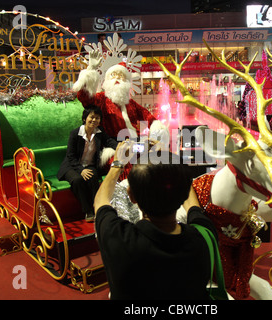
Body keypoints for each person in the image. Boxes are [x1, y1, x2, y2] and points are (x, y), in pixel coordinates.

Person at [94, 142, 218, 299]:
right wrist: (168, 159)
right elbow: (192, 204)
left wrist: (118, 163)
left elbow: (100, 200)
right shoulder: (204, 235)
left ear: (131, 195)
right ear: (184, 193)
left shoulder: (118, 237)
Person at [73, 55, 157, 140]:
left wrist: (157, 127)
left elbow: (146, 115)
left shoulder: (130, 103)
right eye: (113, 75)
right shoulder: (102, 98)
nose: (117, 78)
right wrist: (91, 70)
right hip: (112, 142)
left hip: (134, 141)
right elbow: (84, 97)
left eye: (121, 76)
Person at [57, 105, 118, 222]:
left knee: (93, 177)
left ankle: (98, 207)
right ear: (85, 118)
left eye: (97, 118)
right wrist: (81, 170)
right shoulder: (75, 134)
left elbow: (110, 142)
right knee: (77, 180)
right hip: (72, 166)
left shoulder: (100, 133)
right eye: (92, 117)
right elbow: (70, 156)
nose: (94, 120)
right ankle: (88, 211)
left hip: (90, 165)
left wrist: (121, 147)